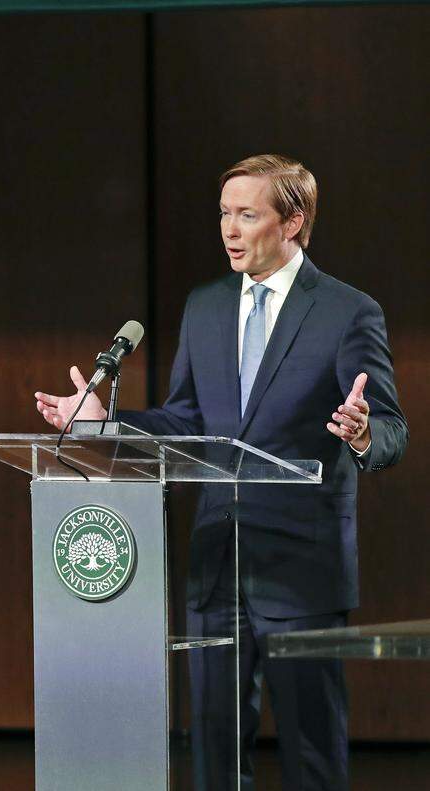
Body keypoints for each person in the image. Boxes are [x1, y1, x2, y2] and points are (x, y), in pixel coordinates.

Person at [34, 154, 406, 790]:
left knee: (312, 748)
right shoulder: (205, 307)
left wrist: (365, 431)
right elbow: (186, 421)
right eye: (224, 214)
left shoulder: (347, 311)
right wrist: (107, 423)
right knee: (213, 745)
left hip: (301, 568)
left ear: (293, 222)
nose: (230, 230)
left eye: (247, 215)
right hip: (217, 562)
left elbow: (391, 432)